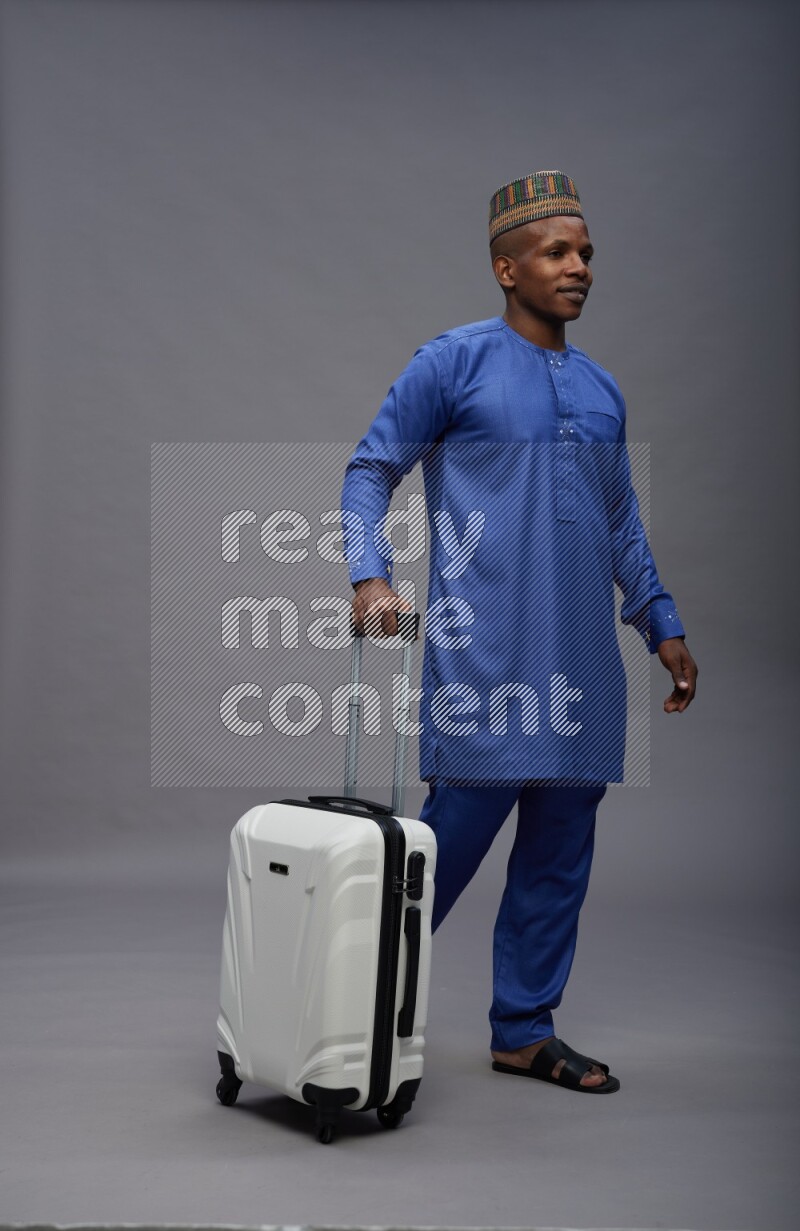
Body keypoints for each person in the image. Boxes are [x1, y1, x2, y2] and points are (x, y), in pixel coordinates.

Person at [341, 171, 698, 1093]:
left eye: (586, 253)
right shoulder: (452, 363)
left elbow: (620, 521)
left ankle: (524, 1031)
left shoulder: (602, 390)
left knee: (557, 858)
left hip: (581, 666)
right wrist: (370, 574)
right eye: (557, 252)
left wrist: (660, 622)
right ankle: (339, 1017)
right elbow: (371, 467)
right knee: (435, 861)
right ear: (507, 268)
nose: (579, 268)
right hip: (485, 660)